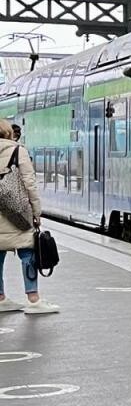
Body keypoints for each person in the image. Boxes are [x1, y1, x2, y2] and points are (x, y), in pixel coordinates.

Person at [0, 119, 56, 314]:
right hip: (17, 213)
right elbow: (29, 185)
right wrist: (36, 212)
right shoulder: (18, 151)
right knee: (27, 253)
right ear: (9, 133)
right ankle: (33, 300)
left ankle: (0, 298)